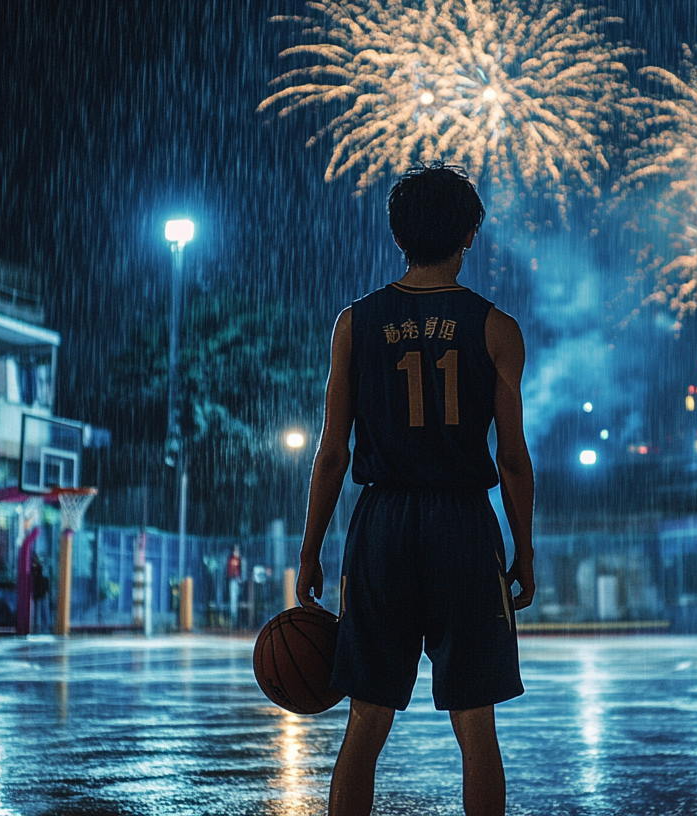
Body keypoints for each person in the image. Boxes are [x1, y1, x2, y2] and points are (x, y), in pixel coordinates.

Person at [296, 162, 535, 816]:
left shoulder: (356, 323)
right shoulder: (496, 328)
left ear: (398, 235)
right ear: (469, 235)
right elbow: (512, 460)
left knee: (366, 720)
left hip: (383, 524)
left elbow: (332, 453)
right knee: (475, 725)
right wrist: (525, 550)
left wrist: (310, 548)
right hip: (463, 521)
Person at [225, 546, 243, 629]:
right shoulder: (230, 559)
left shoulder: (239, 560)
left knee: (237, 600)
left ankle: (237, 620)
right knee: (233, 600)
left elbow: (241, 570)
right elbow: (228, 571)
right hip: (232, 580)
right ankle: (233, 619)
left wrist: (240, 579)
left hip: (237, 581)